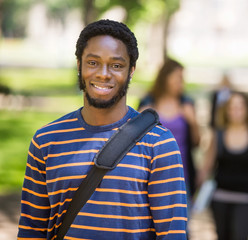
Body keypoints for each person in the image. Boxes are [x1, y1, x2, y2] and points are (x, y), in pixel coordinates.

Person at [17, 19, 188, 240]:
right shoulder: (46, 140)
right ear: (79, 66)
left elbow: (172, 235)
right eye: (93, 63)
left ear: (131, 70)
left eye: (116, 65)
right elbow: (31, 230)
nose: (103, 74)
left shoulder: (159, 144)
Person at [197, 91, 248, 240]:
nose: (236, 111)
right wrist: (195, 192)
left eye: (240, 107)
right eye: (232, 107)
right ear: (227, 110)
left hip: (245, 198)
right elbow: (207, 166)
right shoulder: (218, 135)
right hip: (220, 198)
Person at [138, 58, 200, 200]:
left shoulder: (187, 104)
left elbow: (197, 143)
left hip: (182, 175)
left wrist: (193, 122)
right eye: (177, 77)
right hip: (151, 174)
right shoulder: (147, 103)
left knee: (182, 220)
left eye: (182, 78)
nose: (181, 82)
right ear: (166, 77)